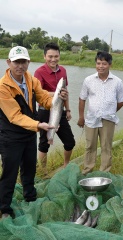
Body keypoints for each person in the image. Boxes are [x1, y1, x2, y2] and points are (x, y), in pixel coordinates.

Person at [0, 46, 68, 218]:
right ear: (9, 63)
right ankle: (4, 208)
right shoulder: (2, 87)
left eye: (23, 62)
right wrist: (39, 125)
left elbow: (43, 97)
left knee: (29, 168)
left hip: (29, 134)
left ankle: (30, 197)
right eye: (16, 62)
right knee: (10, 172)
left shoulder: (31, 80)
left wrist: (56, 101)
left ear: (28, 62)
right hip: (11, 136)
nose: (20, 66)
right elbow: (15, 116)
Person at [78, 51, 123, 174]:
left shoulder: (117, 82)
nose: (101, 66)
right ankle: (87, 170)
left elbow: (122, 101)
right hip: (91, 119)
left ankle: (104, 173)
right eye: (98, 63)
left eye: (104, 63)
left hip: (108, 119)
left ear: (110, 64)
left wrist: (111, 111)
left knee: (106, 147)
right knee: (90, 146)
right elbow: (82, 98)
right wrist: (81, 117)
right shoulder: (88, 80)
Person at [34, 42, 75, 169]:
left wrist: (67, 109)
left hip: (60, 110)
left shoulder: (63, 70)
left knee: (70, 142)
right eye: (50, 56)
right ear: (44, 56)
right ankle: (43, 171)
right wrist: (56, 93)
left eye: (56, 56)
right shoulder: (39, 72)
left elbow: (65, 90)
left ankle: (66, 165)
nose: (53, 59)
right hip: (44, 111)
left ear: (59, 56)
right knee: (44, 143)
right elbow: (37, 92)